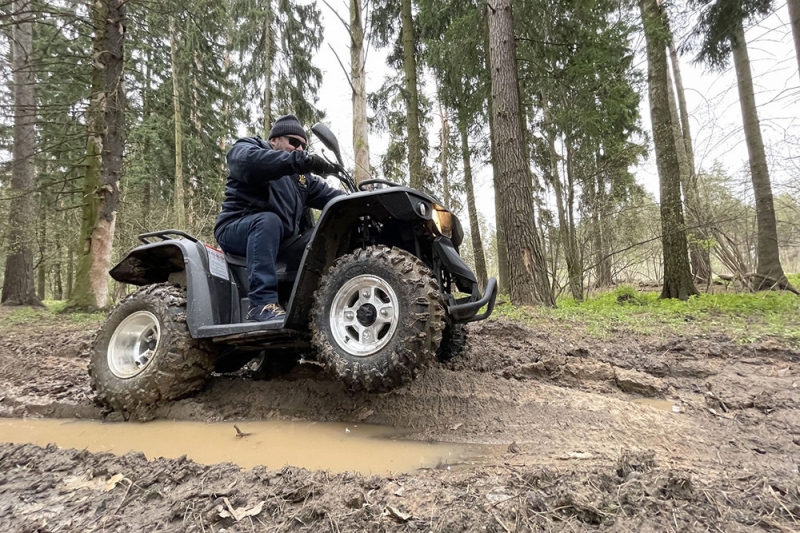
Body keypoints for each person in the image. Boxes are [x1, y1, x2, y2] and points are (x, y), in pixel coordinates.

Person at [214, 114, 344, 323]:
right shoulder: (249, 148)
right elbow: (250, 163)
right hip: (237, 228)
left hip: (280, 240)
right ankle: (261, 304)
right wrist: (301, 161)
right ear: (274, 140)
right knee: (268, 221)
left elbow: (333, 198)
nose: (299, 149)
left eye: (303, 146)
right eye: (294, 142)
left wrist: (368, 200)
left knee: (321, 236)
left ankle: (320, 308)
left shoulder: (302, 180)